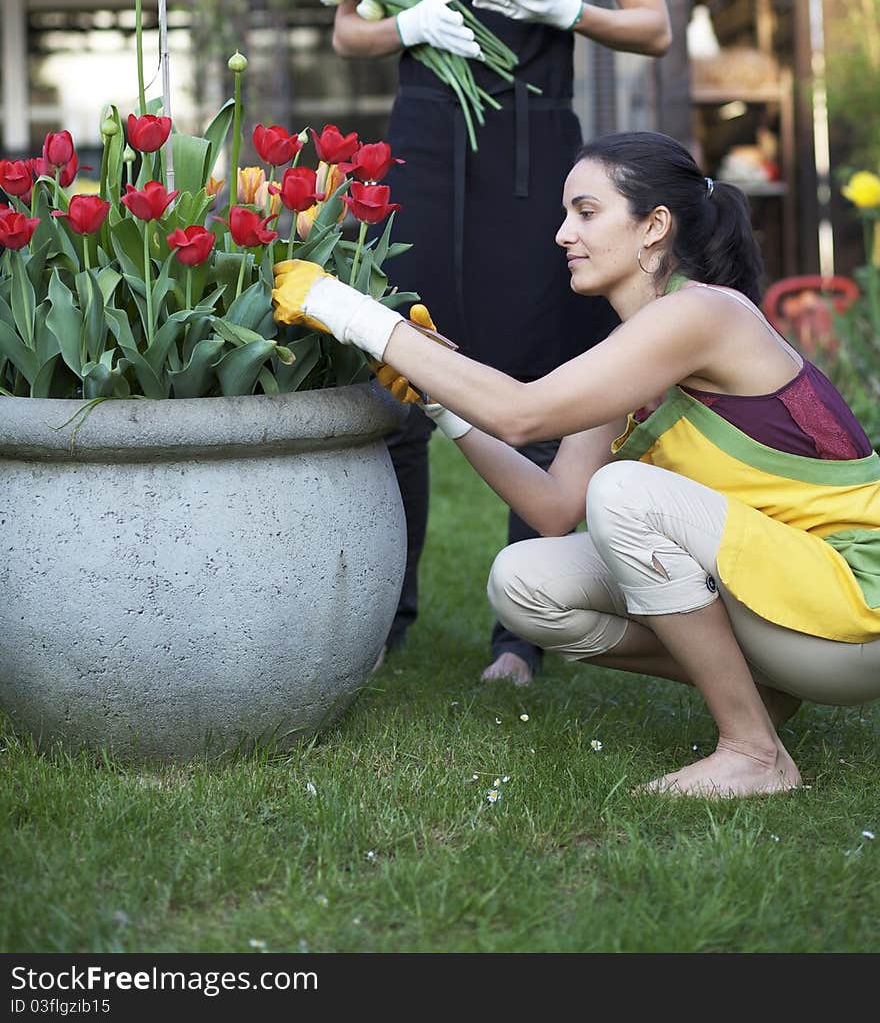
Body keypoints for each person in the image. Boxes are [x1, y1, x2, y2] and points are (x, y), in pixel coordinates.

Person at [273, 130, 880, 798]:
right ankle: (758, 690)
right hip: (784, 604)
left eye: (586, 213)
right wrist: (443, 407)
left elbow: (522, 413)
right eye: (566, 214)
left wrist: (347, 311)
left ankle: (754, 752)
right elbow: (554, 507)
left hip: (854, 610)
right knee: (524, 581)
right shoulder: (636, 347)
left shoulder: (703, 314)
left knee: (624, 492)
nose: (563, 234)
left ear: (653, 227)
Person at [330, 0, 671, 684]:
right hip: (427, 145)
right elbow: (350, 29)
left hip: (535, 153)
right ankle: (386, 621)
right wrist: (409, 26)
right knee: (406, 364)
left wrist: (575, 11)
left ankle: (520, 631)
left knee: (536, 369)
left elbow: (651, 22)